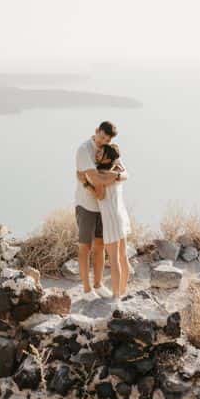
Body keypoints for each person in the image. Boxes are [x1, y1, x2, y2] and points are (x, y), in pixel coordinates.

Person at [73, 121, 127, 299]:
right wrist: (114, 176)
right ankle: (87, 289)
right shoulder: (84, 150)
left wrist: (117, 175)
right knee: (85, 247)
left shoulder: (108, 149)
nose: (102, 142)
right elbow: (97, 178)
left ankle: (98, 283)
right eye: (101, 137)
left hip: (103, 209)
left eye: (106, 140)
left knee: (100, 246)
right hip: (86, 205)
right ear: (96, 131)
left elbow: (125, 173)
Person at [84, 143, 132, 300]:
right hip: (121, 214)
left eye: (101, 153)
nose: (97, 154)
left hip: (110, 217)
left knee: (113, 258)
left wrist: (86, 184)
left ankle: (116, 296)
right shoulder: (117, 171)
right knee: (122, 256)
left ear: (107, 158)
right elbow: (123, 168)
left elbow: (100, 196)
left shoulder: (101, 175)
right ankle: (123, 290)